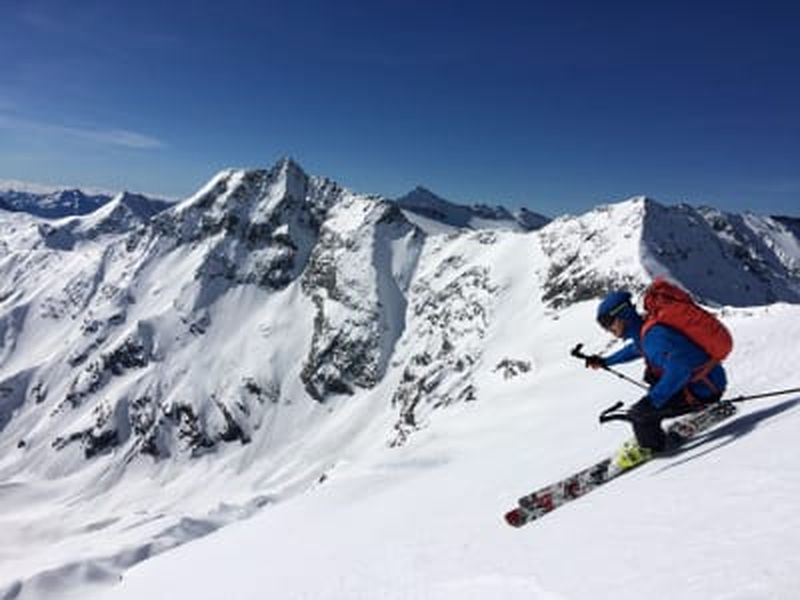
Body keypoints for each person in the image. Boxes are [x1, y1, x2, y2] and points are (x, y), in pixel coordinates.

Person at [587, 290, 727, 455]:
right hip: (704, 382)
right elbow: (635, 349)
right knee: (649, 394)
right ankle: (652, 432)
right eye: (603, 325)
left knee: (640, 415)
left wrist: (651, 402)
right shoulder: (644, 330)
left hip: (704, 389)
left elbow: (680, 371)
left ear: (623, 315)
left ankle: (653, 448)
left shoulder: (654, 337)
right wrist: (605, 361)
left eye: (608, 322)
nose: (607, 329)